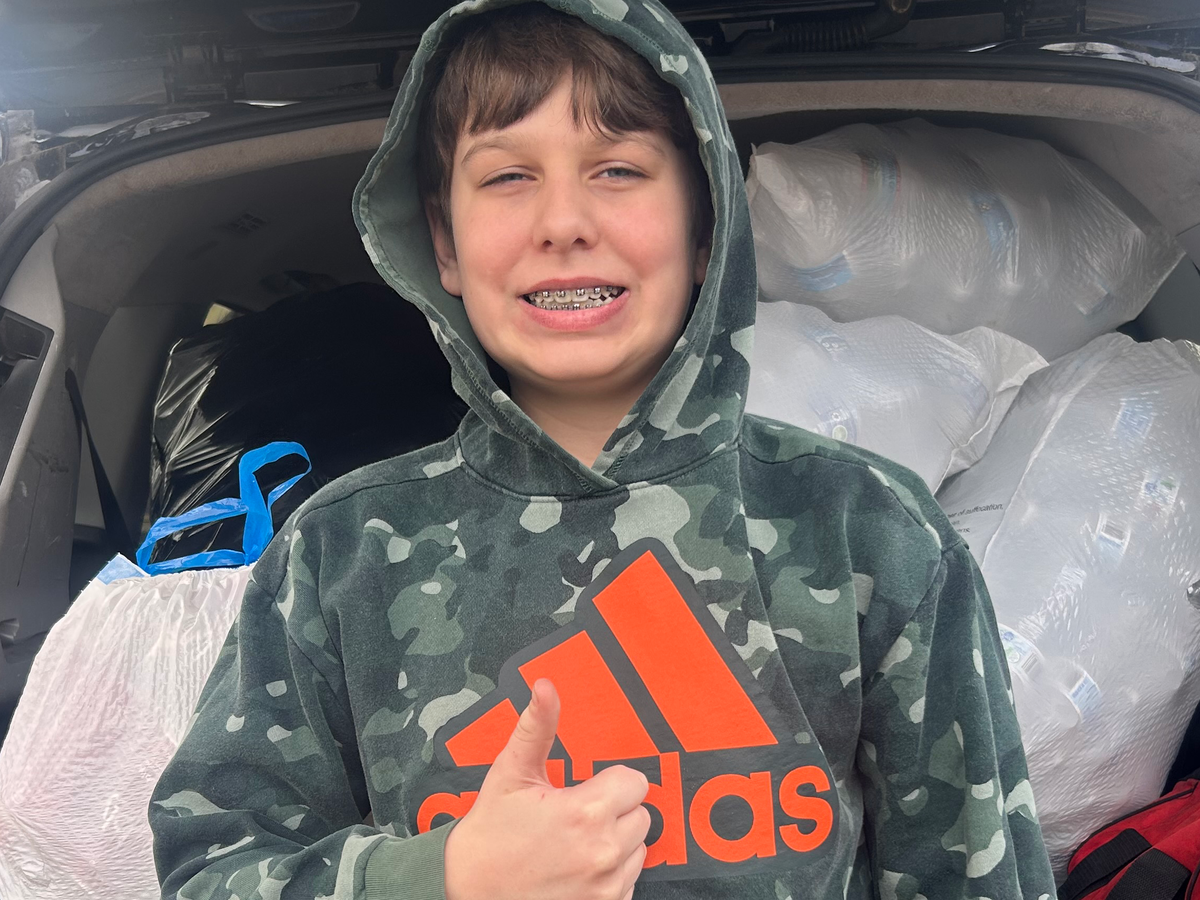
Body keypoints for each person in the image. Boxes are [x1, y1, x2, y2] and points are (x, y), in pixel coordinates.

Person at [149, 1, 1057, 898]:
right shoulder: (337, 552)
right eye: (508, 176)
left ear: (705, 229)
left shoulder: (868, 530)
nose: (563, 222)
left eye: (618, 169)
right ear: (445, 244)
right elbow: (212, 871)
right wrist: (444, 877)